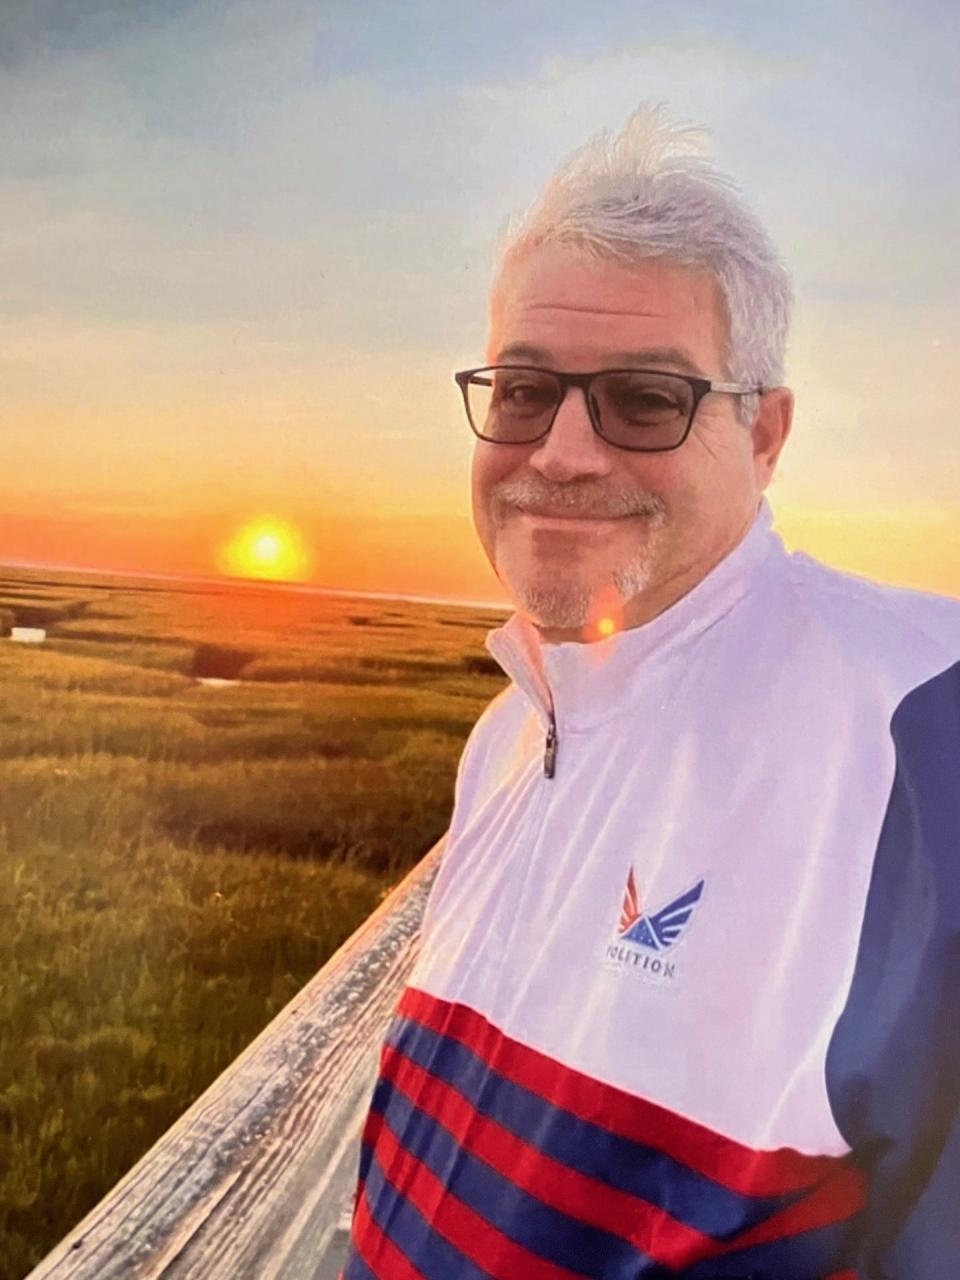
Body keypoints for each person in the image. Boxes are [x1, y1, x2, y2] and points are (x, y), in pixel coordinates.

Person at [340, 105, 960, 1279]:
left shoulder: (921, 737)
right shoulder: (515, 721)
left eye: (643, 398)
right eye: (523, 390)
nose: (563, 452)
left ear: (765, 432)